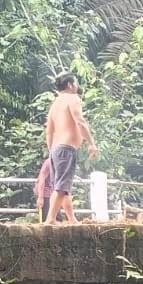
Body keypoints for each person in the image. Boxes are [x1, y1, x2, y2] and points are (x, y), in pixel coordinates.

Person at [43, 72, 98, 225]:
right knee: (61, 187)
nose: (77, 86)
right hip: (66, 148)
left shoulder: (55, 103)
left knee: (63, 186)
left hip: (55, 148)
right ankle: (50, 219)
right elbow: (80, 122)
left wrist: (51, 151)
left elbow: (49, 130)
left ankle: (71, 218)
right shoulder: (72, 99)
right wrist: (91, 143)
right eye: (76, 83)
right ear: (70, 85)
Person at [34, 156, 54, 222]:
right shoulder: (48, 163)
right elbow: (41, 180)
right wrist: (40, 197)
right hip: (44, 193)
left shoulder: (58, 161)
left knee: (56, 217)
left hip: (53, 194)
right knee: (48, 219)